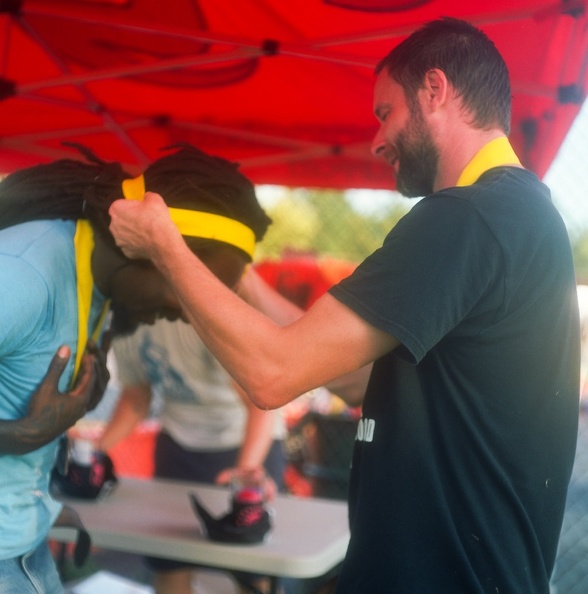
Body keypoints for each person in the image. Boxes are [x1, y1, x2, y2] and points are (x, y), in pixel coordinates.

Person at [108, 17, 581, 594]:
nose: (377, 140)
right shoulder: (521, 215)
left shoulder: (465, 217)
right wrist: (241, 281)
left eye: (385, 112)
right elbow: (360, 378)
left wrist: (165, 245)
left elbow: (273, 374)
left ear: (435, 90)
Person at [0, 142, 270, 594]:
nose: (191, 314)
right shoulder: (21, 274)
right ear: (150, 247)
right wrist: (16, 436)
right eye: (189, 290)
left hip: (23, 548)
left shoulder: (97, 282)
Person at [99, 317, 286, 594]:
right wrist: (94, 451)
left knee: (251, 569)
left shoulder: (206, 318)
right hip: (178, 443)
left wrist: (245, 473)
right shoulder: (126, 317)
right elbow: (136, 399)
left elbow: (261, 402)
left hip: (243, 442)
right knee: (169, 559)